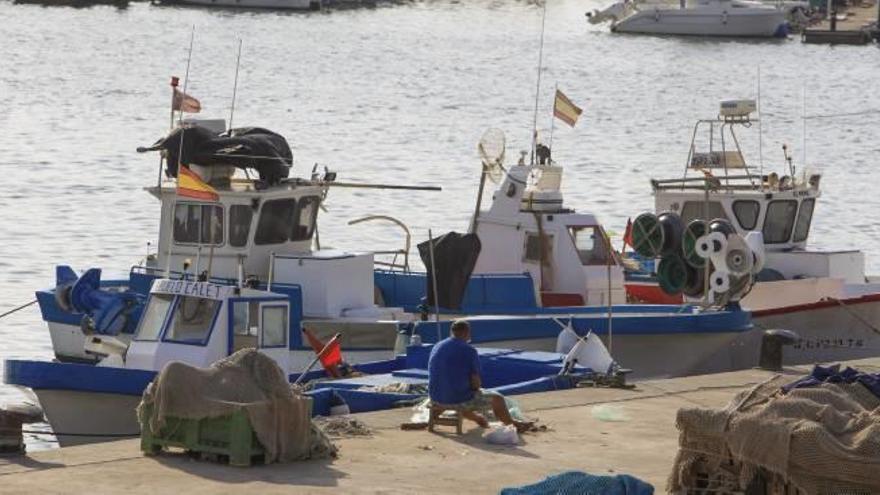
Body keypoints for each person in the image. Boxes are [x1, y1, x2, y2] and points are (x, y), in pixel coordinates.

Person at [428, 319, 533, 432]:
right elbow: (475, 382)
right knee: (497, 399)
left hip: (435, 396)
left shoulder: (438, 345)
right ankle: (512, 425)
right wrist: (476, 389)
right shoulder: (469, 350)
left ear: (452, 332)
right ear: (466, 332)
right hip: (455, 398)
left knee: (458, 391)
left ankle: (478, 419)